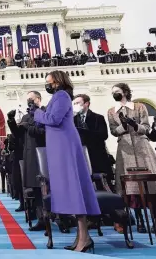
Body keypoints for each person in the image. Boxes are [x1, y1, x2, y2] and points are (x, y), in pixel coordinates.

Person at [33, 70, 100, 253]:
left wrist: (38, 113)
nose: (48, 85)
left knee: (73, 188)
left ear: (58, 82)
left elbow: (53, 119)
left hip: (64, 144)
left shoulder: (61, 95)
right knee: (70, 189)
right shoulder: (58, 97)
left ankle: (84, 237)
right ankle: (81, 236)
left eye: (50, 82)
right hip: (58, 144)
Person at [108, 83, 156, 234]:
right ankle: (140, 221)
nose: (115, 94)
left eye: (117, 91)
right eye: (113, 92)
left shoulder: (139, 107)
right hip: (124, 149)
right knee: (131, 187)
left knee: (151, 185)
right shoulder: (111, 111)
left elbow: (146, 127)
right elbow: (112, 131)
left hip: (142, 146)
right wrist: (123, 126)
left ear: (124, 92)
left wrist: (134, 125)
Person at [7, 91, 46, 231]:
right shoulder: (26, 115)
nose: (29, 101)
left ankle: (58, 217)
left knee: (47, 188)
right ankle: (41, 218)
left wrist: (27, 126)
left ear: (38, 99)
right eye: (27, 99)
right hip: (29, 154)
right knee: (35, 188)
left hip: (43, 152)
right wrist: (11, 120)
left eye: (31, 98)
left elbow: (43, 131)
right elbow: (18, 134)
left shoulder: (44, 112)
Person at [72, 94, 113, 183]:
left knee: (101, 183)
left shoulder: (98, 118)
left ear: (86, 103)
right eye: (74, 103)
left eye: (78, 103)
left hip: (97, 156)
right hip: (80, 156)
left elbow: (103, 135)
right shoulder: (73, 120)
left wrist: (85, 131)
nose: (76, 105)